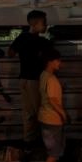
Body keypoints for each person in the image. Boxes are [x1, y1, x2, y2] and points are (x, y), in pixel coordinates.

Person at [8, 10, 51, 149]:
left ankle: (28, 141)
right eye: (44, 22)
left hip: (23, 79)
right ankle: (41, 141)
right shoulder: (42, 41)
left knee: (27, 113)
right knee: (40, 111)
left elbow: (10, 53)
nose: (46, 25)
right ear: (35, 24)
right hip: (35, 80)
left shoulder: (22, 37)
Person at [30, 48, 66, 162]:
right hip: (52, 118)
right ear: (50, 62)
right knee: (55, 151)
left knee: (52, 148)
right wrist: (63, 114)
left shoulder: (44, 75)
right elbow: (52, 100)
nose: (60, 63)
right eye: (58, 60)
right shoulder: (51, 79)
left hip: (44, 116)